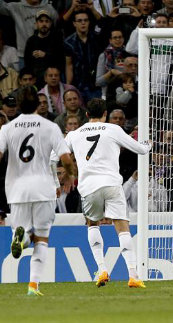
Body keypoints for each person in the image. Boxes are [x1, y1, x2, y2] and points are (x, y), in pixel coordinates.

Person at [0, 86, 76, 296]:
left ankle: (22, 238)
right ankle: (33, 286)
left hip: (17, 189)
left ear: (17, 105)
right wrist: (70, 175)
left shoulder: (9, 127)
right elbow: (66, 159)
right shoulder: (50, 126)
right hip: (44, 188)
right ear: (37, 104)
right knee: (42, 237)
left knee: (25, 233)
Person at [64, 98, 150, 288]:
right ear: (105, 115)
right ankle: (133, 275)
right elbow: (140, 149)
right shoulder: (113, 129)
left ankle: (102, 269)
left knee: (92, 224)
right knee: (122, 227)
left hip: (88, 186)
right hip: (111, 184)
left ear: (86, 115)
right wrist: (148, 144)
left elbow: (55, 156)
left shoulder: (74, 134)